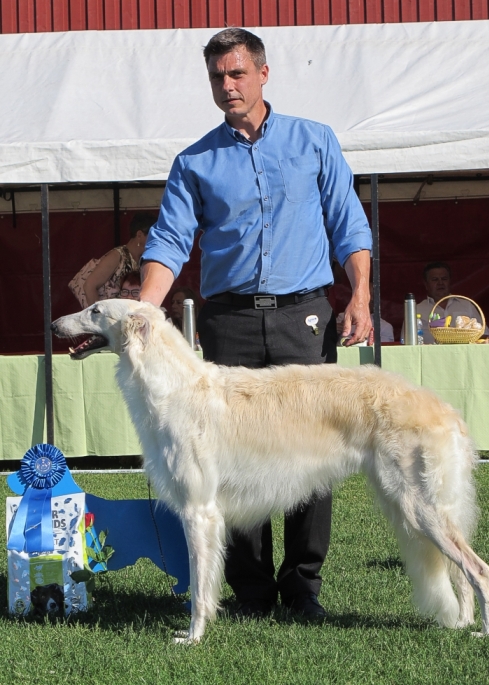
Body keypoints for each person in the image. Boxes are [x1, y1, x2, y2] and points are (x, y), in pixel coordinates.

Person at [139, 28, 372, 619]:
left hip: (305, 314)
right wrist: (143, 313)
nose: (227, 86)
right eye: (217, 76)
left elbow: (348, 223)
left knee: (309, 452)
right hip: (229, 321)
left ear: (263, 73)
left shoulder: (314, 141)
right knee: (234, 456)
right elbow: (169, 241)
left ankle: (302, 589)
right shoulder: (194, 161)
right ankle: (250, 592)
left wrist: (361, 295)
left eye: (237, 73)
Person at [83, 212, 157, 306]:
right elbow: (89, 285)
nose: (156, 240)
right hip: (112, 316)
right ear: (139, 235)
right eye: (153, 236)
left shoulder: (144, 259)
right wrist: (98, 315)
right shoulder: (117, 255)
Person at [416, 261, 489, 344]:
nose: (440, 283)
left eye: (444, 279)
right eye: (435, 279)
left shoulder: (466, 305)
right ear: (426, 284)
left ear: (450, 282)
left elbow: (484, 335)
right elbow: (406, 342)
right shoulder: (417, 310)